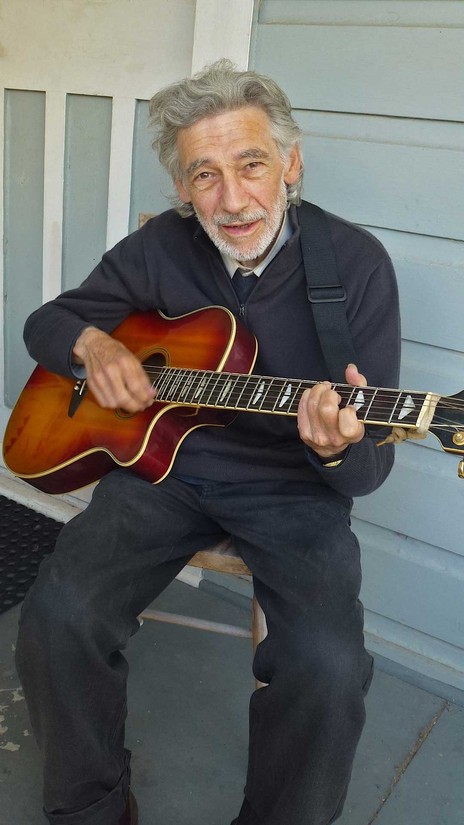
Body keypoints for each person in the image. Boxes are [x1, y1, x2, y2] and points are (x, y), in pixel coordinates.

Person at [15, 60, 400, 825]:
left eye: (251, 164)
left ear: (291, 163)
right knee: (58, 618)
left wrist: (336, 446)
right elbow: (47, 322)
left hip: (294, 489)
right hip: (164, 471)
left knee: (327, 668)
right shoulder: (161, 247)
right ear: (182, 188)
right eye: (205, 175)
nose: (231, 199)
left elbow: (366, 472)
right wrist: (95, 344)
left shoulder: (356, 268)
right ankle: (90, 807)